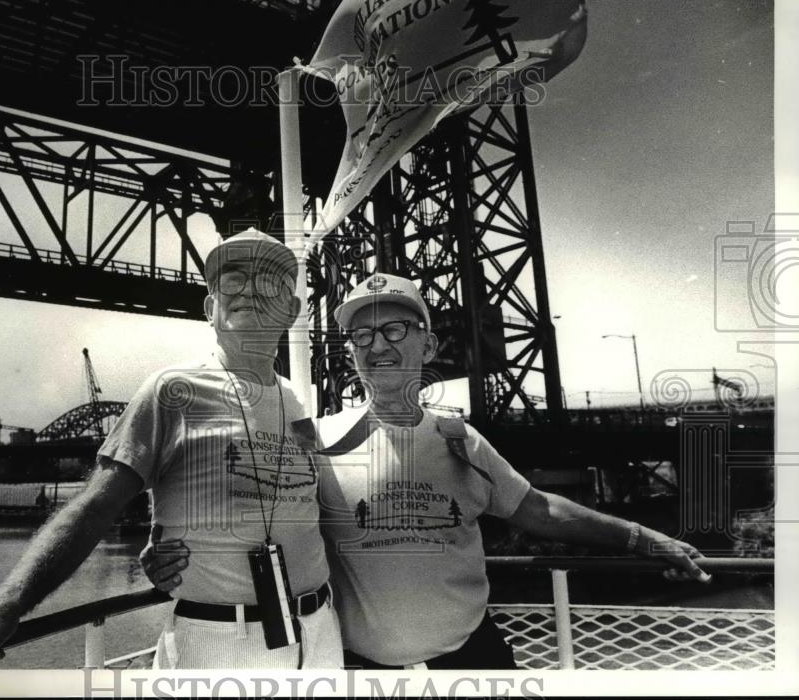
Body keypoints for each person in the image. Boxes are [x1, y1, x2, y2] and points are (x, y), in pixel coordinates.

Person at [144, 272, 710, 670]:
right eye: (361, 336)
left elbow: (538, 507)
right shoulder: (315, 440)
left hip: (472, 663)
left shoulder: (460, 439)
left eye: (394, 330)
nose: (376, 346)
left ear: (428, 342)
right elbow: (253, 512)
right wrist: (165, 544)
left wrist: (643, 536)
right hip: (363, 673)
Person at [0, 229, 343, 669]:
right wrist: (10, 597)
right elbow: (95, 507)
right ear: (210, 308)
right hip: (223, 642)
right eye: (231, 280)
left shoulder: (298, 403)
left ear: (293, 309)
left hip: (319, 631)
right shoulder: (172, 390)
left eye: (267, 281)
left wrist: (159, 534)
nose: (247, 290)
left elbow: (305, 505)